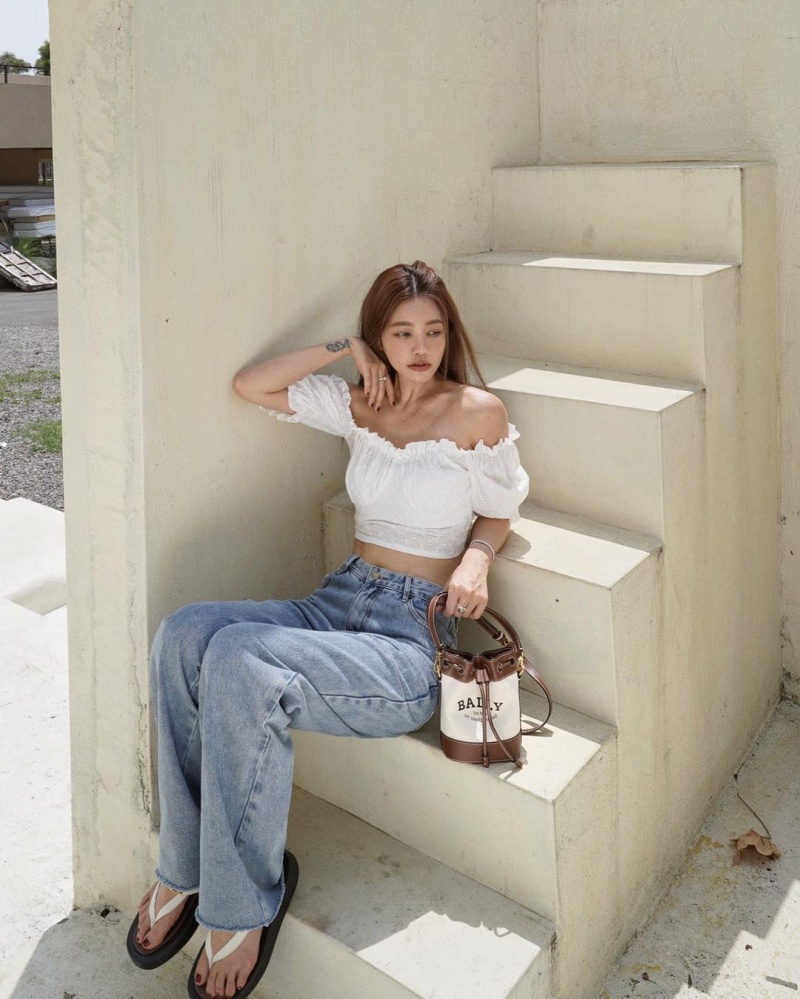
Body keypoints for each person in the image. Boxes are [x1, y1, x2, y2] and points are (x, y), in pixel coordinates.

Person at [126, 261, 529, 999]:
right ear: (379, 338)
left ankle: (242, 905)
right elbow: (251, 385)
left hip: (408, 638)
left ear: (450, 335)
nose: (420, 347)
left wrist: (475, 559)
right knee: (183, 633)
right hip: (337, 600)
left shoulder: (477, 411)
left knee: (241, 658)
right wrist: (345, 348)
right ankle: (182, 868)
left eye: (433, 331)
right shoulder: (360, 404)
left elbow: (500, 508)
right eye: (400, 333)